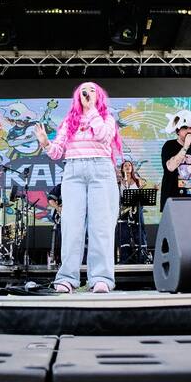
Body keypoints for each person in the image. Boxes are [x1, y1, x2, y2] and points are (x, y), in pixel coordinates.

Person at [34, 82, 122, 293]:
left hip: (101, 170)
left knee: (101, 227)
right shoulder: (69, 121)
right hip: (73, 171)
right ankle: (67, 278)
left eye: (93, 91)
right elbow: (57, 152)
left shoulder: (106, 118)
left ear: (99, 96)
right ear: (77, 96)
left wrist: (91, 111)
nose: (88, 93)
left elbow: (103, 136)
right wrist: (46, 143)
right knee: (71, 226)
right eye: (85, 90)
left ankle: (101, 278)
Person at [159, 109, 191, 211]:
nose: (189, 131)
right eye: (185, 128)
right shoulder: (169, 145)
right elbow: (170, 167)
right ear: (178, 131)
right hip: (174, 200)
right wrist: (185, 146)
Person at [116, 159, 150, 264]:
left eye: (129, 165)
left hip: (136, 209)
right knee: (124, 231)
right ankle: (124, 257)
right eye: (125, 165)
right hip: (124, 210)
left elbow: (142, 196)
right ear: (122, 169)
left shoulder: (138, 181)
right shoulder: (119, 183)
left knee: (139, 230)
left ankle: (142, 256)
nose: (127, 167)